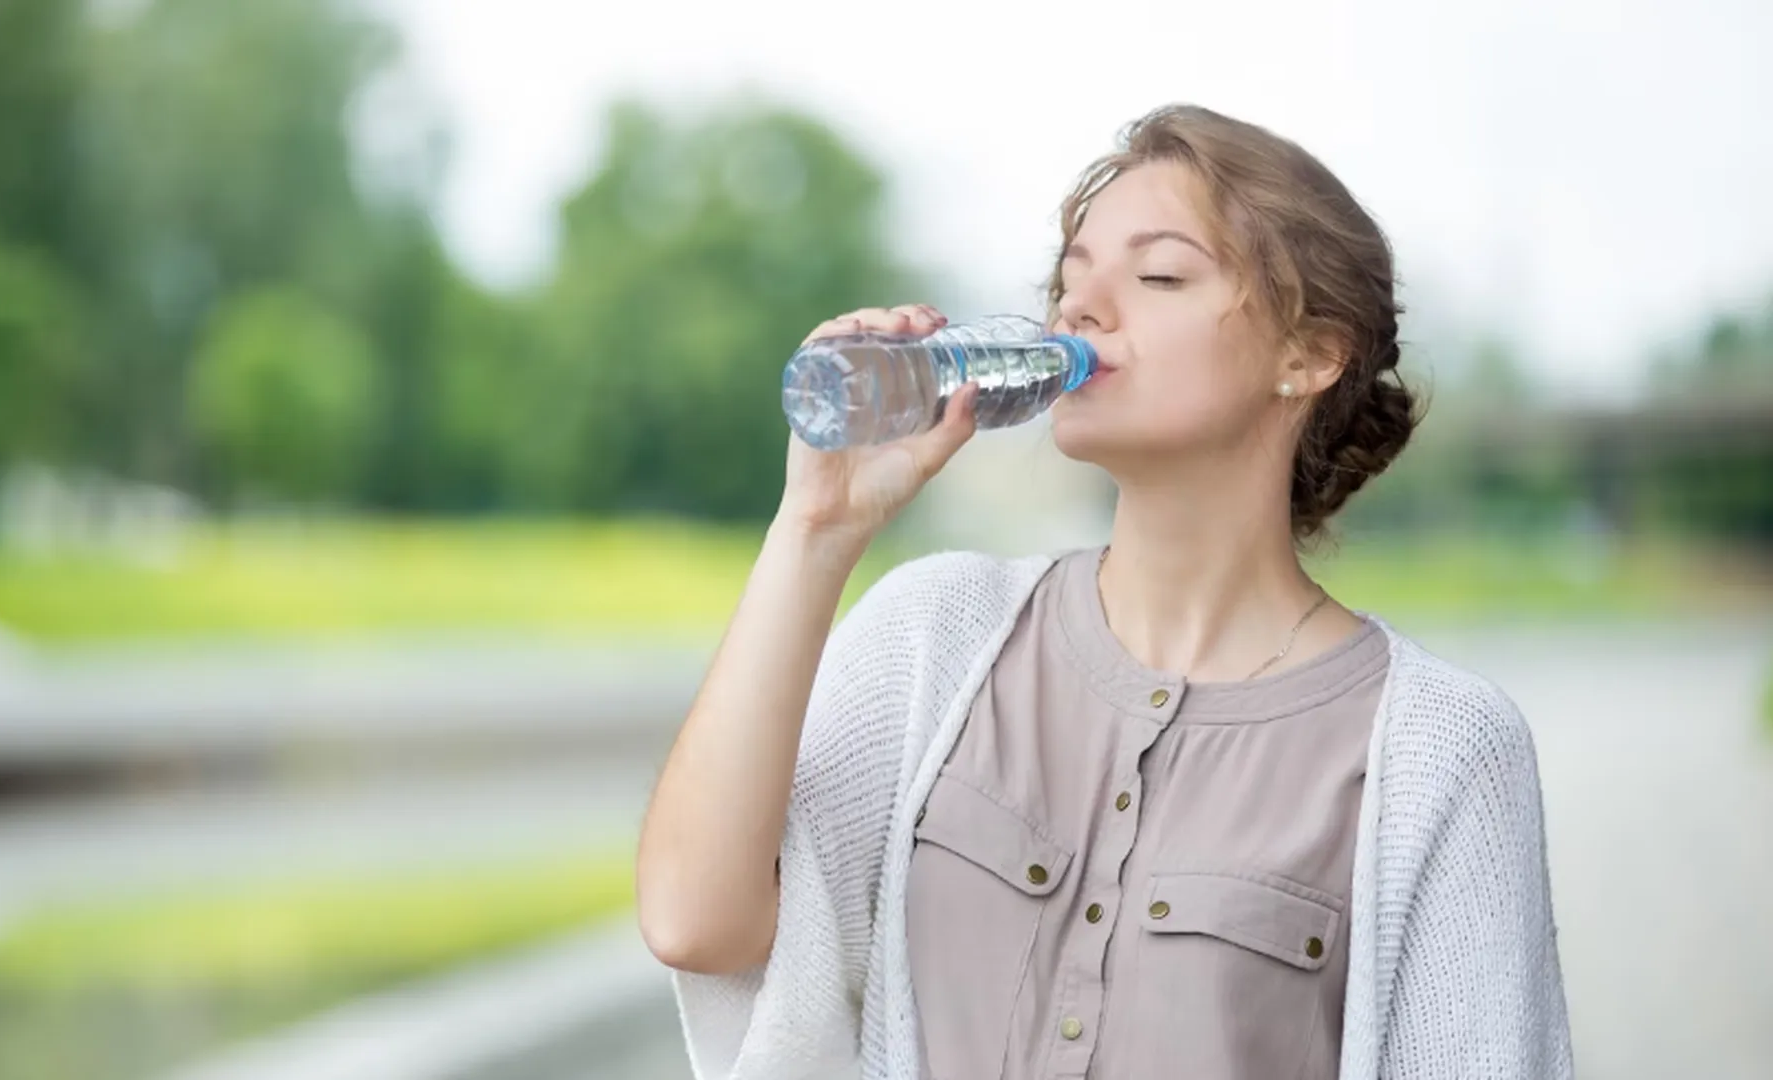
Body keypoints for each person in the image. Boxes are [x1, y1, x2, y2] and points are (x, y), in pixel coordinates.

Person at [635, 103, 1573, 1080]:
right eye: (1069, 279)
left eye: (1159, 273)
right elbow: (694, 921)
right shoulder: (936, 637)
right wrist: (816, 531)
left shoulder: (1443, 751)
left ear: (1309, 354)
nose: (1081, 309)